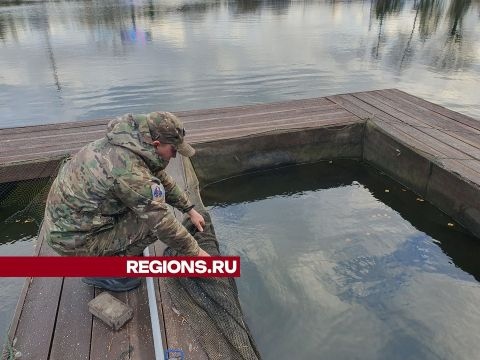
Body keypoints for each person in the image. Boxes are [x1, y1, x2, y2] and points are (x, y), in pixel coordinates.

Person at [40, 111, 209, 291]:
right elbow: (162, 222)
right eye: (173, 150)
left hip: (70, 223)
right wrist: (197, 254)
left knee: (149, 206)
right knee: (152, 225)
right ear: (157, 144)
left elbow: (159, 176)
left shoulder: (132, 142)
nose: (174, 156)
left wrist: (189, 209)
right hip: (72, 240)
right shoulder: (127, 170)